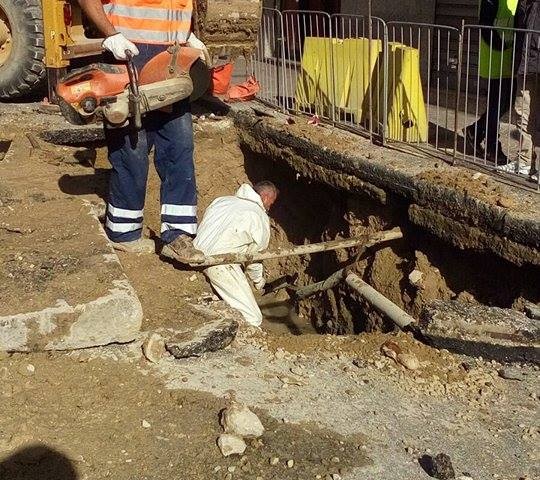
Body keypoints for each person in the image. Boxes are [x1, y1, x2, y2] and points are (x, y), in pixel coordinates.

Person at [78, 0, 209, 254]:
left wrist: (187, 35)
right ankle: (123, 233)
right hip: (128, 56)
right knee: (131, 150)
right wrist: (111, 34)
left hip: (172, 62)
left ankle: (178, 235)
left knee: (179, 147)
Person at [193, 182, 279, 327]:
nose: (270, 206)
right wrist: (258, 282)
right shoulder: (259, 216)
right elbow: (254, 257)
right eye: (272, 202)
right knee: (253, 318)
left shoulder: (222, 201)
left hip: (195, 254)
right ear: (265, 197)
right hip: (219, 263)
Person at [463, 0, 520, 164]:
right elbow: (486, 24)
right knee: (497, 102)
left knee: (506, 101)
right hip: (495, 56)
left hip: (510, 57)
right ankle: (492, 147)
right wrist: (501, 46)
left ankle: (476, 130)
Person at [515, 0, 540, 180]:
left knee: (529, 115)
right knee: (523, 113)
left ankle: (531, 164)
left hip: (532, 63)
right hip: (528, 65)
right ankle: (525, 162)